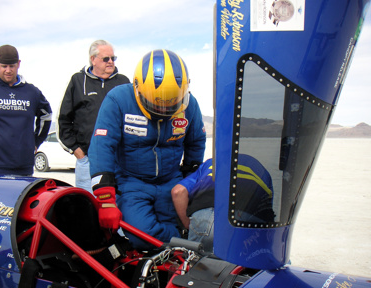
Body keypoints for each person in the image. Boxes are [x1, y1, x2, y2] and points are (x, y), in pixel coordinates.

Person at [88, 49, 206, 249]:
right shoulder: (118, 99)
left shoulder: (190, 105)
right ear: (138, 88)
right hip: (131, 182)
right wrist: (106, 199)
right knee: (141, 236)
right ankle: (175, 246)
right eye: (157, 104)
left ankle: (171, 255)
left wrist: (190, 181)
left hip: (171, 181)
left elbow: (196, 141)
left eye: (170, 105)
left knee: (190, 225)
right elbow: (102, 146)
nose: (163, 110)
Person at [57, 40, 130, 192]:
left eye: (113, 58)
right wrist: (77, 151)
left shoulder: (124, 82)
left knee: (118, 207)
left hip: (118, 161)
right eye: (106, 59)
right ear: (93, 59)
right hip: (87, 160)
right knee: (87, 208)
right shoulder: (77, 81)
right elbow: (63, 119)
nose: (110, 62)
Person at [0, 44, 52, 176]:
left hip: (23, 168)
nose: (8, 70)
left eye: (12, 66)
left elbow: (46, 115)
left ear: (18, 64)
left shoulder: (31, 92)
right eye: (4, 66)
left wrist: (36, 142)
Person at [171, 156, 274, 252]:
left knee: (198, 267)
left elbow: (178, 192)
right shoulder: (263, 171)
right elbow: (267, 210)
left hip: (205, 218)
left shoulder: (210, 164)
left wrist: (188, 224)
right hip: (246, 218)